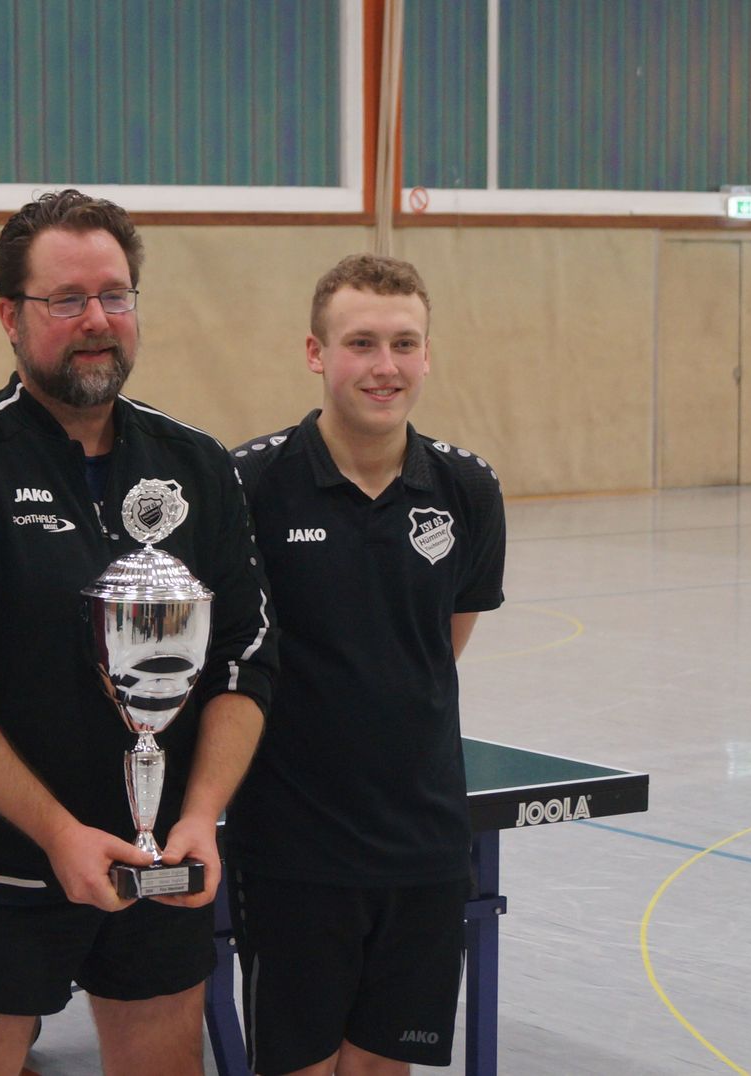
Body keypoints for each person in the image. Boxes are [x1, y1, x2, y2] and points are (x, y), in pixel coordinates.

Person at [0, 188, 277, 1076]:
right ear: (10, 317)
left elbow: (246, 657)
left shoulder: (197, 465)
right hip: (1, 867)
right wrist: (57, 832)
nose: (97, 320)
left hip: (160, 856)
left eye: (115, 294)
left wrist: (200, 816)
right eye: (66, 299)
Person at [225, 254, 507, 1074]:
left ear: (427, 354)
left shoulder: (466, 489)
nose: (386, 367)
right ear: (316, 353)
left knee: (385, 1064)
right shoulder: (251, 484)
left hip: (425, 848)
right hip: (294, 853)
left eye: (404, 344)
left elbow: (440, 644)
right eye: (361, 344)